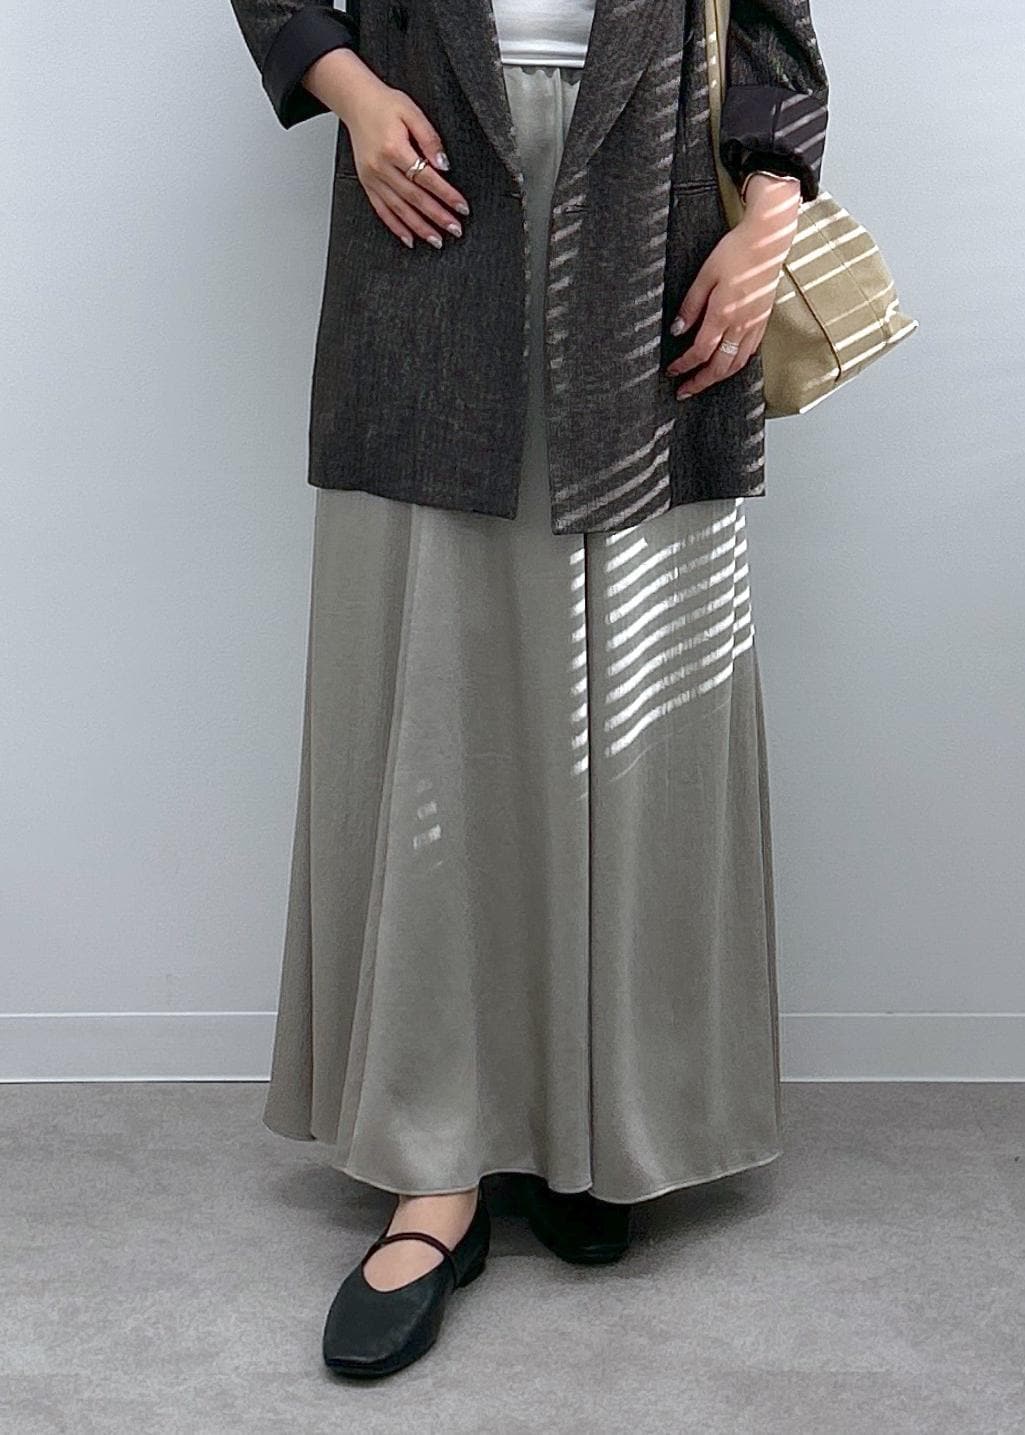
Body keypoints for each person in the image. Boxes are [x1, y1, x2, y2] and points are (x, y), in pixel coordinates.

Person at [228, 0, 829, 1380]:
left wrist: (769, 221)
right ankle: (434, 1164)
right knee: (434, 702)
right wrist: (353, 93)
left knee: (634, 720)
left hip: (663, 227)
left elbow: (775, 35)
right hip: (428, 203)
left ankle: (592, 1124)